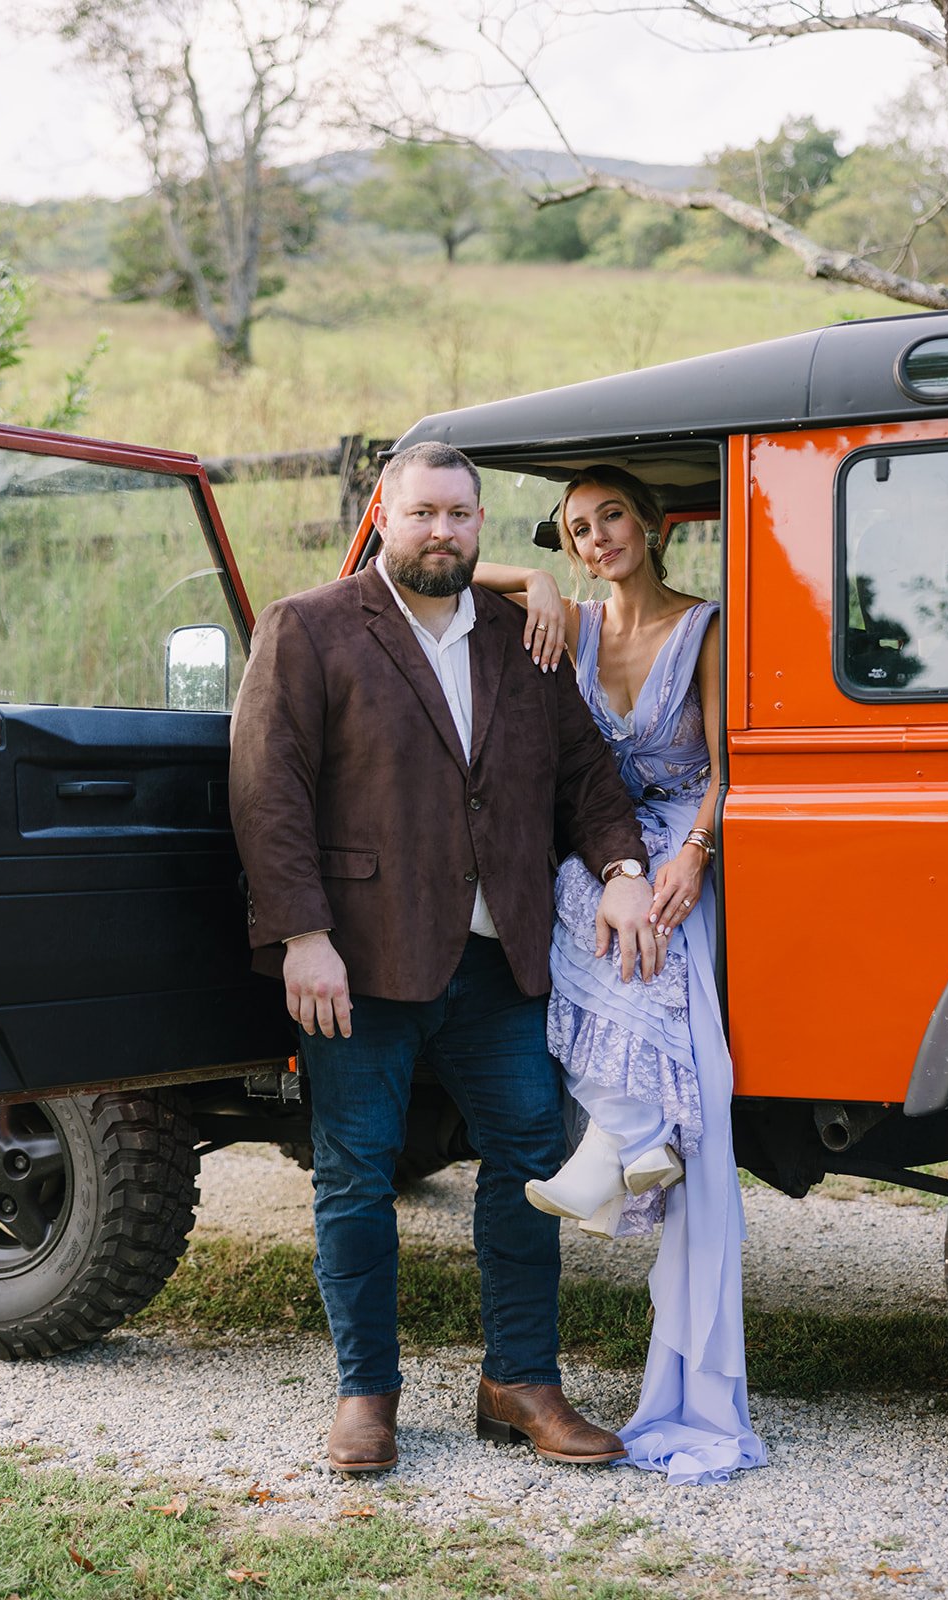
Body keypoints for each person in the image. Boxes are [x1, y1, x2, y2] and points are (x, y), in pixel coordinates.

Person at [228, 441, 661, 1477]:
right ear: (385, 513)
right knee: (353, 1177)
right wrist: (302, 935)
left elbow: (584, 776)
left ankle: (519, 1382)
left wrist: (621, 865)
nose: (443, 533)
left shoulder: (521, 635)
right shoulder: (311, 626)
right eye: (423, 514)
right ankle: (365, 1394)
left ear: (479, 523)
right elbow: (267, 790)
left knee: (527, 1168)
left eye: (461, 516)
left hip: (496, 960)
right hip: (357, 963)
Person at [476, 465, 767, 1484]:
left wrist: (695, 852)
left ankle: (626, 1139)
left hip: (684, 847)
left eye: (610, 518)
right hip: (602, 851)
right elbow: (427, 563)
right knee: (573, 903)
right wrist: (536, 582)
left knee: (644, 925)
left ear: (649, 524)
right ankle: (630, 1133)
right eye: (574, 529)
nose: (595, 537)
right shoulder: (566, 627)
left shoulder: (707, 623)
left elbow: (728, 765)